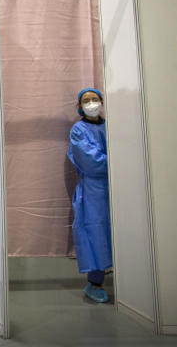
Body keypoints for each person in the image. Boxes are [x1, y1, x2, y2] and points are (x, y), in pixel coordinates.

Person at [67, 87, 112, 304]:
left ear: (103, 102)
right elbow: (90, 162)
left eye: (95, 99)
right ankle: (95, 283)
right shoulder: (78, 130)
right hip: (94, 191)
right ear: (79, 107)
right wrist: (116, 163)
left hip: (121, 188)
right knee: (96, 234)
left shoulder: (112, 126)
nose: (92, 103)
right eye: (87, 100)